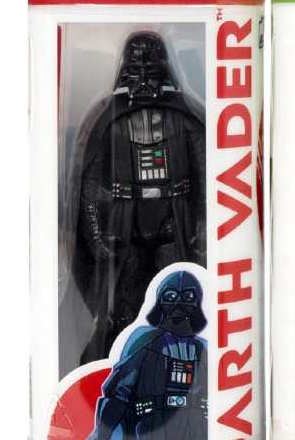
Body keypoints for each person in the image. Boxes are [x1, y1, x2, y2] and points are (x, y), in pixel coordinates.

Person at [75, 31, 206, 365]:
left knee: (180, 299)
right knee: (124, 307)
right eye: (136, 70)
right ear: (125, 72)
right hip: (126, 230)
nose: (144, 78)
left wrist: (203, 228)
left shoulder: (185, 118)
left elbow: (208, 177)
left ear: (165, 70)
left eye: (151, 69)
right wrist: (95, 235)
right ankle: (118, 364)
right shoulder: (109, 120)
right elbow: (90, 184)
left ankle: (183, 368)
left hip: (175, 225)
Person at [64, 270, 208, 440]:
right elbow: (118, 391)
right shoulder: (146, 340)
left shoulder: (202, 348)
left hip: (194, 430)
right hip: (153, 427)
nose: (179, 305)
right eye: (171, 297)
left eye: (187, 298)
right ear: (161, 302)